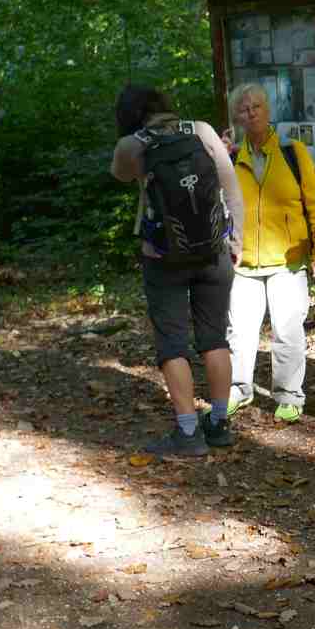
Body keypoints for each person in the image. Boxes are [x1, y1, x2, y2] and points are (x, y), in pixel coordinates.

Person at [112, 84, 246, 458]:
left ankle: (188, 432)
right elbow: (231, 189)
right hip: (214, 252)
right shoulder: (201, 131)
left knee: (172, 342)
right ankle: (219, 424)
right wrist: (236, 241)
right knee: (214, 338)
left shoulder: (131, 145)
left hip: (162, 257)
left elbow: (121, 175)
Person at [226, 82, 315, 423]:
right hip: (243, 262)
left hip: (288, 259)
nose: (251, 113)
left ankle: (288, 395)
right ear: (236, 117)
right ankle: (238, 389)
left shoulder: (293, 153)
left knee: (287, 330)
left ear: (268, 110)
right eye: (243, 109)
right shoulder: (230, 158)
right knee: (240, 331)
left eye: (256, 106)